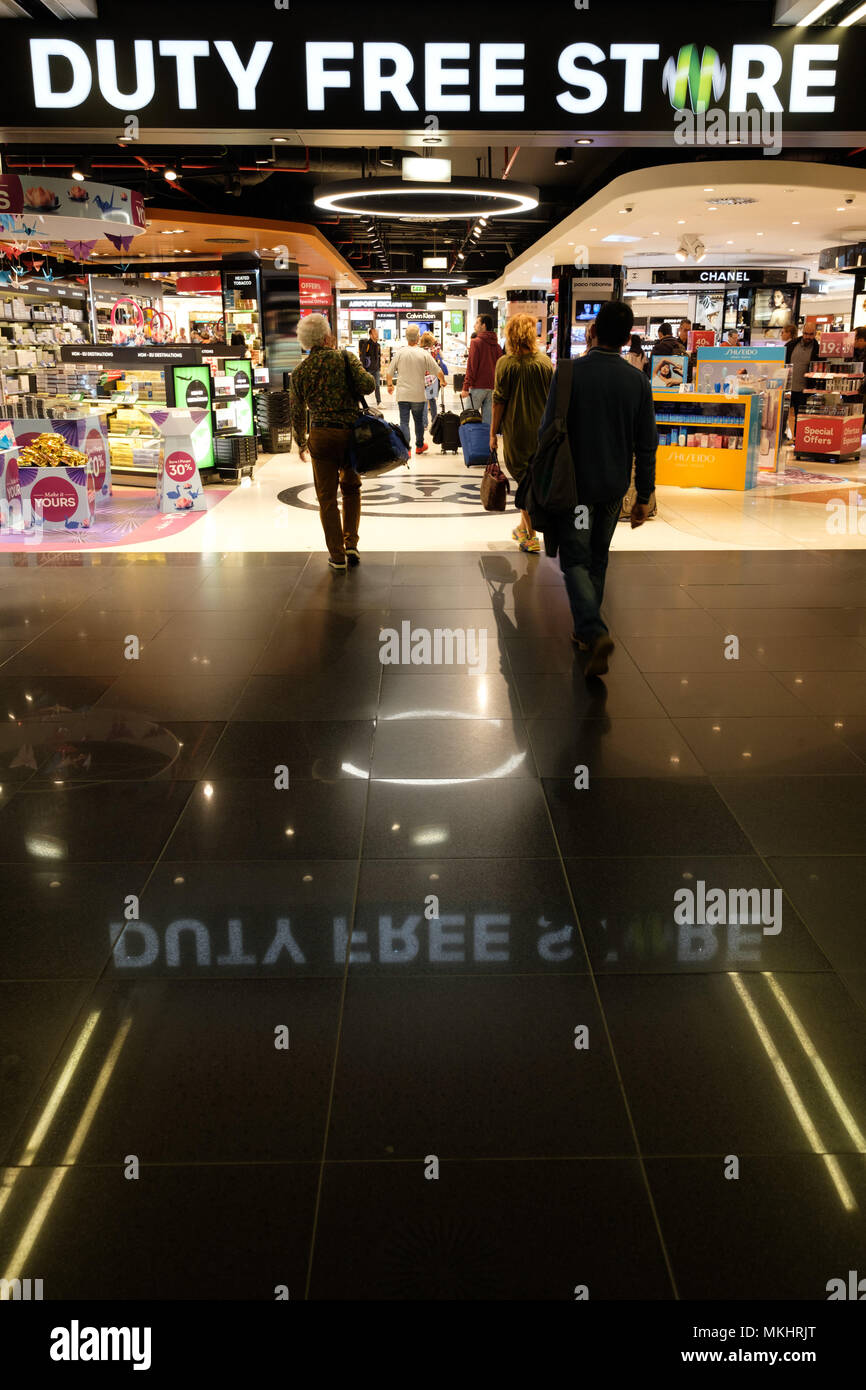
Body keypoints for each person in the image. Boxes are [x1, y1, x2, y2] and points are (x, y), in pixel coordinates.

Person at [536, 299, 656, 679]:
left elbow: (546, 431)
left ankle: (594, 629)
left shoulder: (570, 373)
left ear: (593, 331)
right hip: (612, 488)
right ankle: (586, 633)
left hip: (575, 488)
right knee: (598, 557)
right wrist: (643, 494)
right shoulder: (637, 380)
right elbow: (647, 443)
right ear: (627, 338)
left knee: (574, 559)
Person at [289, 313, 374, 571]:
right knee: (351, 488)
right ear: (327, 336)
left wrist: (301, 441)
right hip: (350, 435)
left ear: (305, 342)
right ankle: (351, 543)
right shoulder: (345, 358)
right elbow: (369, 385)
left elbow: (295, 412)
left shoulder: (300, 371)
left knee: (326, 497)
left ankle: (336, 555)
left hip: (321, 436)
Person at [490, 313, 553, 555]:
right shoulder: (545, 362)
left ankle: (531, 535)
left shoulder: (506, 363)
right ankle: (522, 525)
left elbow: (499, 401)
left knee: (524, 481)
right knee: (533, 478)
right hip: (542, 431)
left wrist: (493, 433)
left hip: (516, 431)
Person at [386, 324, 445, 456]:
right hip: (418, 394)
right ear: (418, 338)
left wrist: (390, 385)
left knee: (404, 422)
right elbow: (437, 370)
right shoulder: (423, 353)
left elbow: (389, 373)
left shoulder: (400, 353)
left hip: (402, 394)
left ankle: (407, 449)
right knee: (418, 421)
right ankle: (419, 446)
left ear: (406, 338)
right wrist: (443, 380)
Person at [461, 313, 503, 424]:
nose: (474, 325)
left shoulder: (476, 342)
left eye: (477, 323)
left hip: (477, 387)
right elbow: (501, 368)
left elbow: (472, 366)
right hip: (492, 387)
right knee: (488, 423)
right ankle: (486, 441)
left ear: (483, 325)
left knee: (468, 419)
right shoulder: (497, 346)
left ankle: (471, 441)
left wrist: (466, 386)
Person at [785, 323, 820, 436]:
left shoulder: (817, 349)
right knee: (783, 415)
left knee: (800, 416)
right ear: (802, 332)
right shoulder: (791, 345)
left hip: (804, 389)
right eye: (805, 333)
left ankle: (798, 438)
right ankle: (783, 437)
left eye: (811, 334)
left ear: (815, 334)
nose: (807, 337)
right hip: (787, 387)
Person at [420, 331, 447, 425]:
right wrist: (433, 338)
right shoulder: (433, 350)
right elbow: (438, 344)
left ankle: (424, 424)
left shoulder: (419, 351)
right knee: (432, 401)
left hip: (422, 378)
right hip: (432, 379)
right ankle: (434, 422)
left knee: (423, 402)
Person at [359, 326, 382, 404]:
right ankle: (360, 401)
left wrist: (379, 367)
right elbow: (362, 357)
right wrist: (362, 369)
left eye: (377, 333)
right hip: (368, 369)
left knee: (377, 386)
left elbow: (378, 357)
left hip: (376, 369)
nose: (377, 335)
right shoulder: (366, 344)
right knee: (364, 385)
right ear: (371, 335)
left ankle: (379, 402)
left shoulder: (378, 345)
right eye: (375, 333)